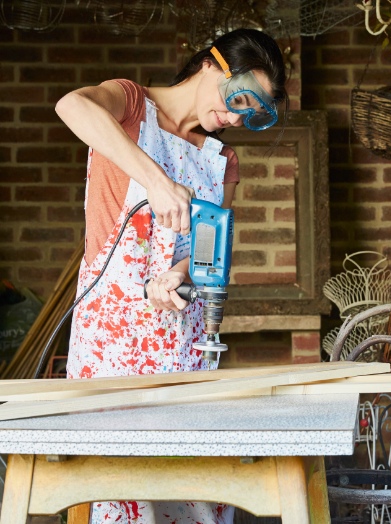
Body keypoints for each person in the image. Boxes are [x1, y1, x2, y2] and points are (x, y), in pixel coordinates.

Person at [56, 28, 286, 524]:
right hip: (112, 350)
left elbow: (206, 249)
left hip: (183, 350)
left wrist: (178, 275)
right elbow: (71, 106)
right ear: (210, 65)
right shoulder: (131, 103)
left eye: (249, 114)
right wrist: (158, 181)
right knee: (118, 494)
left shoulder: (222, 160)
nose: (235, 117)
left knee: (197, 495)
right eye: (237, 99)